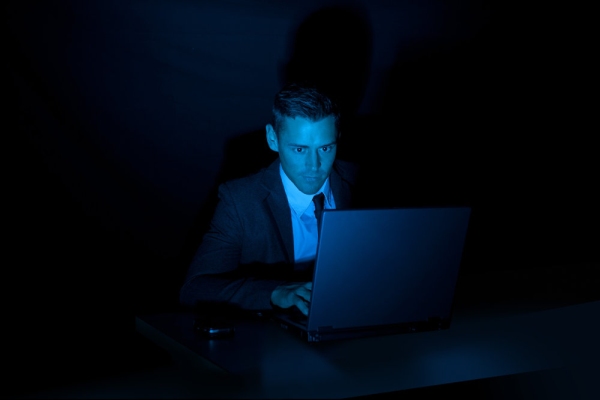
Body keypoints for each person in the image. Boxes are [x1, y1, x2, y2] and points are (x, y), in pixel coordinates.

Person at [180, 83, 359, 316]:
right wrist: (274, 293)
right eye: (299, 150)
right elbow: (194, 289)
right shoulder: (240, 201)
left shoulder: (363, 183)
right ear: (272, 139)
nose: (314, 166)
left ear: (337, 139)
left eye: (325, 148)